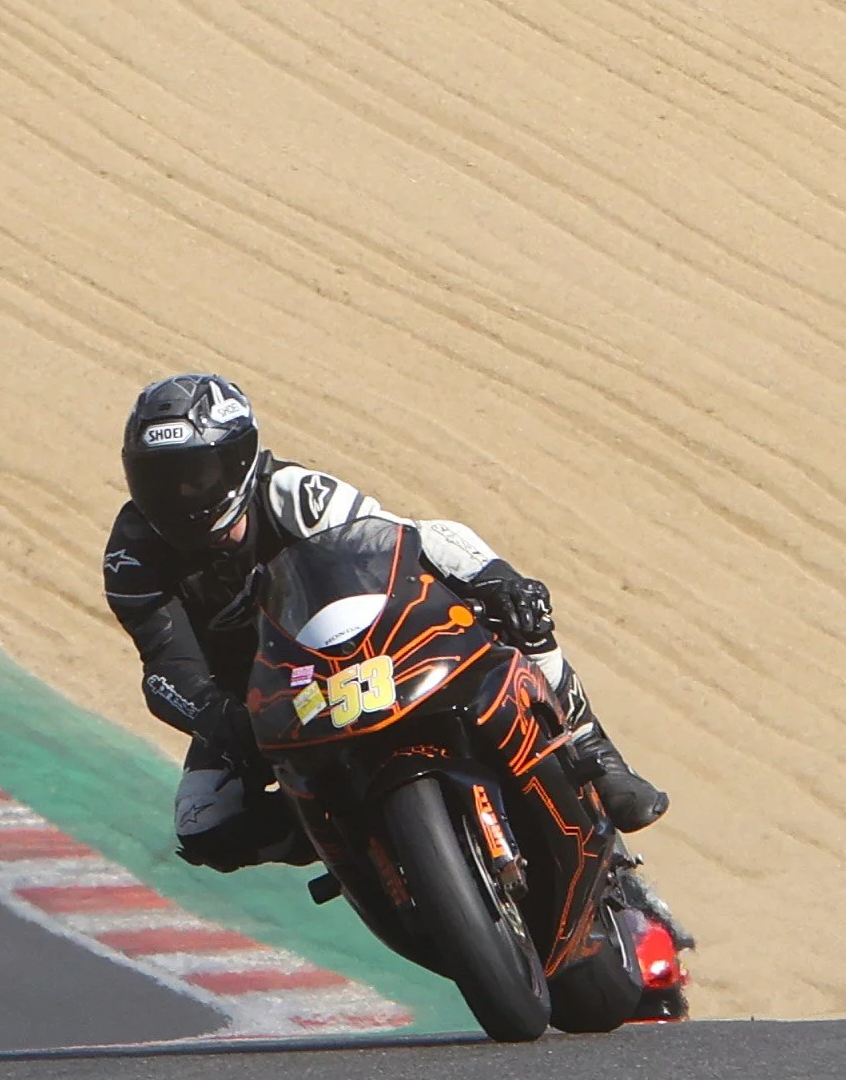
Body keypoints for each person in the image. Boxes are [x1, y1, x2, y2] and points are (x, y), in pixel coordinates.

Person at [102, 372, 670, 875]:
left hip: (371, 647)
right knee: (204, 824)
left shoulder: (297, 493)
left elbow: (399, 542)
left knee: (510, 600)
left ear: (237, 460)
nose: (178, 496)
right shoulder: (131, 558)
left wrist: (499, 583)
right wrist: (220, 719)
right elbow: (166, 666)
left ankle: (597, 756)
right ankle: (348, 838)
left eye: (194, 475)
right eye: (157, 479)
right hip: (259, 704)